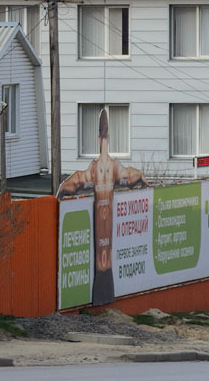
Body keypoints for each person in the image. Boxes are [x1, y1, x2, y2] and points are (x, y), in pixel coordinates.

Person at [56, 108, 147, 305]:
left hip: (99, 252)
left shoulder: (95, 169)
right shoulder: (114, 168)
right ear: (108, 137)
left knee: (101, 271)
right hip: (108, 254)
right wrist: (142, 178)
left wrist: (61, 190)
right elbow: (132, 176)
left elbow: (74, 182)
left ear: (99, 138)